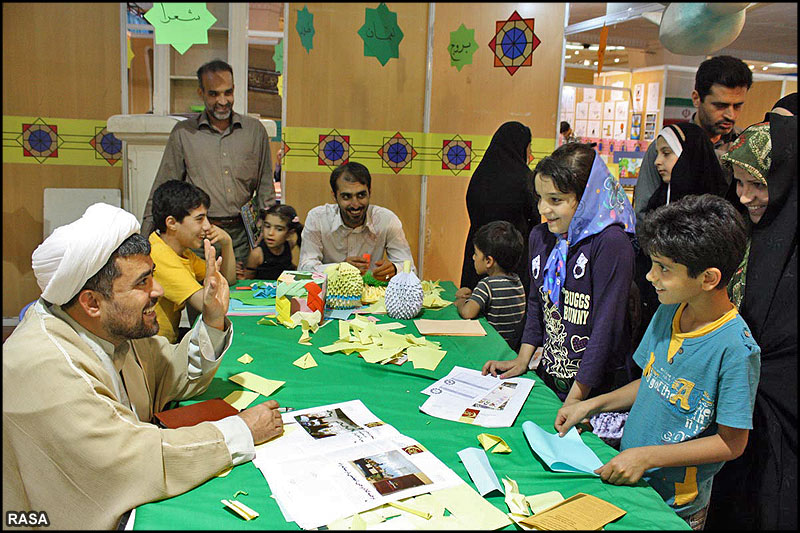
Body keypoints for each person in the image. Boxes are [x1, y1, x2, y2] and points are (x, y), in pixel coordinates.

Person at [3, 203, 284, 529]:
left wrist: (212, 317)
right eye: (143, 283)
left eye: (153, 275)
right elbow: (129, 462)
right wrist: (241, 431)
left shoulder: (112, 327)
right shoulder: (48, 368)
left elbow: (174, 373)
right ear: (92, 302)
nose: (159, 291)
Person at [553, 194, 759, 530]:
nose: (650, 277)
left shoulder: (735, 349)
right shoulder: (670, 309)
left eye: (664, 268)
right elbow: (652, 381)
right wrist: (591, 406)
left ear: (708, 278)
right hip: (634, 480)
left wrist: (648, 456)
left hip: (675, 509)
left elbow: (732, 443)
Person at [483, 143, 637, 407]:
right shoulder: (541, 237)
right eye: (540, 198)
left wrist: (576, 399)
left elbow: (606, 327)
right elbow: (536, 304)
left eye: (556, 200)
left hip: (594, 392)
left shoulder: (611, 244)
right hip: (551, 379)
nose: (543, 209)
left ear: (587, 198)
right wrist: (523, 359)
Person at [705, 114, 798, 530]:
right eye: (739, 183)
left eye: (758, 184)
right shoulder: (744, 235)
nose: (744, 197)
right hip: (739, 414)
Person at [140, 59, 276, 265]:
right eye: (213, 94)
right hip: (197, 236)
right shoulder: (184, 134)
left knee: (239, 293)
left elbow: (266, 190)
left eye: (228, 92)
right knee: (198, 293)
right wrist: (144, 244)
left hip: (242, 237)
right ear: (201, 93)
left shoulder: (254, 131)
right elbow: (162, 190)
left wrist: (262, 242)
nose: (222, 101)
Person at [633, 122, 728, 346]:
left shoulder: (712, 214)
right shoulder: (658, 200)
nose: (657, 161)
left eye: (667, 153)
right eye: (658, 153)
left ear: (689, 157)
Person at [633, 55, 752, 227]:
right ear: (696, 98)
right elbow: (644, 211)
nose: (730, 115)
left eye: (737, 106)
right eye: (720, 106)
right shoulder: (667, 146)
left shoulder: (744, 145)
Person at [149, 180, 237, 343]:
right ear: (172, 223)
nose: (208, 226)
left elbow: (229, 279)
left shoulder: (183, 252)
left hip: (168, 339)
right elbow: (207, 305)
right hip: (155, 348)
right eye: (199, 219)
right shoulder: (159, 254)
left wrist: (227, 242)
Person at [460, 121, 538, 298]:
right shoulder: (525, 179)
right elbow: (535, 219)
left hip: (478, 256)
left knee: (474, 308)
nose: (530, 154)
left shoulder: (480, 176)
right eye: (529, 147)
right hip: (512, 263)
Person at [298, 161, 415, 279]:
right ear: (334, 196)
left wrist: (395, 270)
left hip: (371, 294)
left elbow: (411, 270)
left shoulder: (387, 220)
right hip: (329, 294)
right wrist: (340, 269)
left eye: (361, 195)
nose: (355, 204)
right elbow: (305, 269)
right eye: (346, 197)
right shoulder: (317, 219)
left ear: (370, 192)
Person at [455, 220, 526, 350]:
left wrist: (460, 301)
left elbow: (467, 312)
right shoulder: (517, 282)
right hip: (510, 348)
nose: (473, 258)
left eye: (476, 254)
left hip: (490, 346)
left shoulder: (487, 285)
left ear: (488, 261)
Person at [243, 204, 303, 280]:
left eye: (279, 229)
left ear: (289, 233)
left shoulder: (289, 245)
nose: (271, 233)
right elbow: (247, 281)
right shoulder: (257, 254)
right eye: (267, 226)